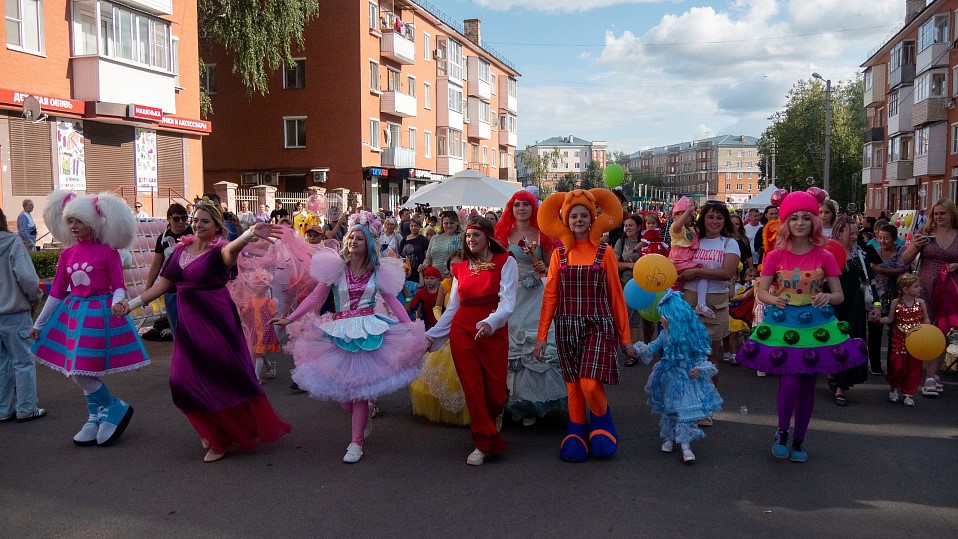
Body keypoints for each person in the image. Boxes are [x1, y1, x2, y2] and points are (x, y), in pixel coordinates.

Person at [117, 201, 291, 462]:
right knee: (180, 380)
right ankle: (211, 428)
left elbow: (232, 250)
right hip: (189, 324)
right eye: (195, 219)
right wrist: (130, 306)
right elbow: (163, 285)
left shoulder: (219, 251)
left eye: (204, 221)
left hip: (216, 322)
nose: (197, 224)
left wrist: (248, 234)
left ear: (217, 226)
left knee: (219, 379)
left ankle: (220, 440)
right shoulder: (180, 250)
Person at [274, 211, 426, 463]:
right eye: (351, 238)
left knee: (358, 392)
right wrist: (290, 318)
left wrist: (411, 328)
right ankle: (362, 414)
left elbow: (394, 302)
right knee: (346, 395)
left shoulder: (377, 272)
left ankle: (356, 442)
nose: (353, 241)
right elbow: (315, 298)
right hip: (340, 330)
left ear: (367, 244)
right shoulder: (335, 269)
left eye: (359, 238)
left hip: (369, 330)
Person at [735, 188, 867, 463]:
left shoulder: (826, 255)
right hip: (784, 323)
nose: (799, 223)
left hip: (816, 325)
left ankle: (799, 438)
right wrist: (774, 298)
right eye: (794, 218)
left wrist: (827, 296)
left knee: (807, 383)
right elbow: (761, 292)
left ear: (814, 223)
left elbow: (839, 294)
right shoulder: (774, 256)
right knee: (791, 379)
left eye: (805, 218)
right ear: (786, 223)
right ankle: (782, 431)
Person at [31, 191, 150, 446]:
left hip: (98, 314)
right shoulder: (66, 255)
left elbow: (119, 284)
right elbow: (57, 292)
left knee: (80, 370)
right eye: (70, 221)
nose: (73, 226)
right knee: (78, 369)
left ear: (93, 223)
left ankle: (111, 406)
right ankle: (95, 415)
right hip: (73, 314)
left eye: (79, 221)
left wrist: (119, 301)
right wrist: (38, 324)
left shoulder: (108, 252)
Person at [536, 189, 636, 463]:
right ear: (566, 221)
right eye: (573, 216)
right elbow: (551, 295)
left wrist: (625, 337)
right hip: (566, 325)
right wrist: (541, 335)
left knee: (589, 384)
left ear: (593, 219)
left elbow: (616, 294)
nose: (578, 220)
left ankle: (603, 421)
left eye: (584, 216)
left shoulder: (604, 252)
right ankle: (576, 430)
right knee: (573, 385)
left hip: (598, 325)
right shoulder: (559, 254)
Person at [425, 217, 517, 465]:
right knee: (473, 388)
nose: (471, 240)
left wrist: (490, 323)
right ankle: (483, 441)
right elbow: (453, 308)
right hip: (463, 331)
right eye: (468, 236)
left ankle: (495, 413)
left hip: (493, 331)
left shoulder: (505, 261)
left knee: (495, 393)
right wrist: (431, 337)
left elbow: (508, 303)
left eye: (476, 235)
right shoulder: (461, 268)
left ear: (487, 237)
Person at [494, 190, 566, 427]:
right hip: (510, 293)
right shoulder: (503, 234)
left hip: (535, 293)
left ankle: (531, 403)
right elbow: (495, 263)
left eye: (526, 205)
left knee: (534, 341)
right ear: (511, 209)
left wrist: (542, 269)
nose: (522, 209)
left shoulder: (541, 233)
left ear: (533, 208)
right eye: (517, 205)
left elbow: (550, 264)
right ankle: (507, 400)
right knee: (509, 342)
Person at [635, 290, 723, 464]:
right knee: (669, 409)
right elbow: (652, 347)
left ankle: (685, 445)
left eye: (664, 318)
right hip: (668, 376)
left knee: (684, 410)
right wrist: (637, 349)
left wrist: (699, 369)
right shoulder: (664, 334)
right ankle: (668, 437)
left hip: (686, 379)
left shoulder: (690, 338)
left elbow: (701, 357)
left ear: (674, 317)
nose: (661, 321)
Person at [900, 199, 958, 397]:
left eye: (943, 213)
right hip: (925, 285)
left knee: (943, 329)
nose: (939, 217)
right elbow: (905, 260)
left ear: (952, 214)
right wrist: (915, 246)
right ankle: (930, 376)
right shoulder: (925, 234)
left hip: (950, 288)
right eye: (936, 214)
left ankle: (934, 374)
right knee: (928, 327)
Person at [680, 200, 741, 380]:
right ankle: (689, 399)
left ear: (725, 221)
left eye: (719, 218)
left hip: (716, 305)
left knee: (710, 357)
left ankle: (709, 398)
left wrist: (697, 272)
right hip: (690, 300)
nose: (715, 221)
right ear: (703, 219)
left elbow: (727, 272)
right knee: (688, 355)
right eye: (710, 217)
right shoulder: (694, 240)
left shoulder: (729, 243)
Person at [409, 252, 470, 426]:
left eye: (459, 264)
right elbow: (440, 307)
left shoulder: (469, 279)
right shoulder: (446, 284)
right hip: (447, 326)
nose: (455, 268)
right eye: (452, 265)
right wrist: (438, 325)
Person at [0, 207, 45, 422]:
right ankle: (27, 407)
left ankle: (3, 408)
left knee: (2, 363)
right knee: (23, 361)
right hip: (14, 311)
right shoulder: (12, 242)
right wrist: (34, 296)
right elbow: (27, 277)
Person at [827, 215, 869, 406]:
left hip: (854, 305)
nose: (854, 236)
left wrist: (875, 306)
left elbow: (870, 281)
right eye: (850, 233)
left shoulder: (860, 253)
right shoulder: (829, 252)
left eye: (856, 232)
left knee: (850, 343)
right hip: (833, 305)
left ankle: (841, 388)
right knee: (832, 343)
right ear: (840, 232)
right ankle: (832, 373)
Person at [870, 274, 930, 407]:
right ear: (905, 289)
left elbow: (925, 319)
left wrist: (928, 328)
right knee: (897, 366)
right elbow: (890, 319)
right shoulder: (896, 302)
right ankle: (894, 386)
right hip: (898, 340)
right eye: (916, 286)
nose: (920, 288)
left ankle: (908, 393)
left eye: (919, 286)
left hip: (915, 342)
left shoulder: (921, 303)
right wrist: (878, 320)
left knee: (914, 368)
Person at [867, 223, 908, 376]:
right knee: (874, 331)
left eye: (886, 238)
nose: (883, 242)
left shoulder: (901, 251)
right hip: (876, 298)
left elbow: (902, 269)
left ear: (894, 238)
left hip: (895, 297)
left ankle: (893, 366)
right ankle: (875, 365)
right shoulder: (875, 252)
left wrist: (880, 270)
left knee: (894, 333)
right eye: (880, 238)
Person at [146, 203, 192, 333]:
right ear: (169, 219)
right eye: (176, 219)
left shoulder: (194, 232)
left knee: (194, 328)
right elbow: (156, 264)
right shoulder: (163, 238)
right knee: (177, 329)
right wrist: (147, 289)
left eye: (184, 218)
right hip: (171, 288)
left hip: (192, 286)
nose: (181, 222)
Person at [668, 197, 713, 317]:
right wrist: (687, 212)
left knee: (680, 288)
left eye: (690, 215)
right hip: (679, 260)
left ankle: (693, 305)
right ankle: (701, 304)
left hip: (687, 260)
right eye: (680, 215)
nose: (689, 217)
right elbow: (678, 226)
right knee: (702, 271)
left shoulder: (692, 229)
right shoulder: (675, 228)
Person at [423, 210, 463, 279]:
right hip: (434, 279)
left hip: (454, 278)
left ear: (457, 223)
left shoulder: (462, 237)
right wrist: (424, 266)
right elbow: (428, 258)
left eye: (452, 223)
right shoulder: (435, 238)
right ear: (442, 224)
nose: (449, 225)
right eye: (446, 223)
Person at [399, 218, 429, 284]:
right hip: (406, 271)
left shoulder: (423, 240)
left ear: (419, 227)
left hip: (418, 271)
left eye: (416, 226)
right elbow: (400, 255)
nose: (413, 228)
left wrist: (424, 265)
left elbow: (428, 255)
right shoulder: (404, 240)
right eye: (412, 226)